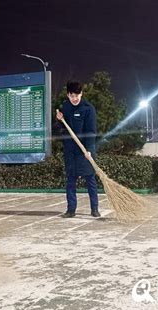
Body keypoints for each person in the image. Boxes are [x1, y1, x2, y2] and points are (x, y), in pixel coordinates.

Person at [56, 81, 100, 218]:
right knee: (70, 180)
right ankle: (71, 210)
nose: (74, 99)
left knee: (90, 179)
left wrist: (88, 150)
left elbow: (91, 131)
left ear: (81, 94)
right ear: (68, 95)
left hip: (86, 149)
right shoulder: (66, 107)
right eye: (71, 96)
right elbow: (62, 128)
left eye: (77, 96)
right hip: (70, 150)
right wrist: (59, 119)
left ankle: (94, 209)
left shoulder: (88, 109)